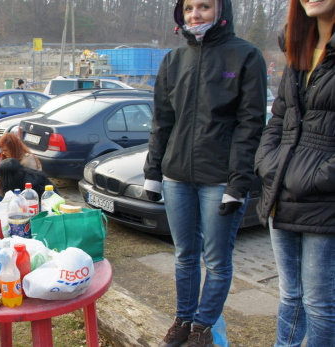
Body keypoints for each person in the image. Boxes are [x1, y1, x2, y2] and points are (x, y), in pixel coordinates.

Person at [143, 0, 267, 346]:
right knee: (184, 255)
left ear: (221, 9)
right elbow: (162, 121)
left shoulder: (245, 56)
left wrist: (238, 183)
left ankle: (203, 327)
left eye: (204, 7)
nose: (195, 15)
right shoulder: (174, 59)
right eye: (189, 9)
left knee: (215, 259)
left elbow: (251, 123)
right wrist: (153, 171)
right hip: (177, 176)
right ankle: (183, 320)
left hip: (220, 179)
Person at [254, 0, 335, 345]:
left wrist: (316, 178)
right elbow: (280, 116)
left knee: (319, 303)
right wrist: (267, 162)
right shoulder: (298, 45)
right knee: (290, 297)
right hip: (280, 194)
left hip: (324, 201)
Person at [0, 133, 42, 210]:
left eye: (5, 150)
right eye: (2, 150)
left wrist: (0, 191)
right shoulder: (11, 158)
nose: (3, 153)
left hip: (24, 198)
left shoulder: (27, 160)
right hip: (12, 193)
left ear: (13, 148)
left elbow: (26, 189)